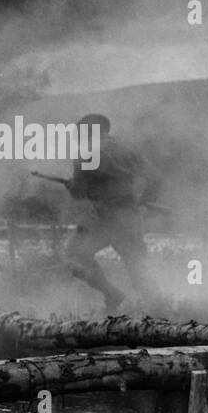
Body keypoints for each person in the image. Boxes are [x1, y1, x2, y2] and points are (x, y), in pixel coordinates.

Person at [60, 113, 160, 313]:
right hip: (127, 215)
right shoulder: (128, 149)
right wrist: (144, 201)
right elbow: (155, 178)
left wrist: (71, 186)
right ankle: (160, 311)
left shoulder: (86, 152)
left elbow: (79, 193)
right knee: (138, 267)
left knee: (74, 254)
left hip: (99, 217)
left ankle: (111, 293)